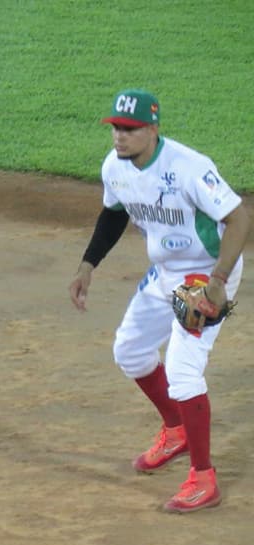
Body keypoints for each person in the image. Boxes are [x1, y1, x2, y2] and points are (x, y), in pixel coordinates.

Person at [69, 88, 250, 513]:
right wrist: (87, 265)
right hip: (166, 272)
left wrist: (218, 281)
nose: (120, 136)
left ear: (153, 129)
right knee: (130, 352)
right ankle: (177, 430)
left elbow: (240, 218)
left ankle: (204, 479)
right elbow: (114, 213)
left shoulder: (189, 168)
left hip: (206, 274)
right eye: (116, 127)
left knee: (184, 371)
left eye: (130, 129)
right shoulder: (114, 167)